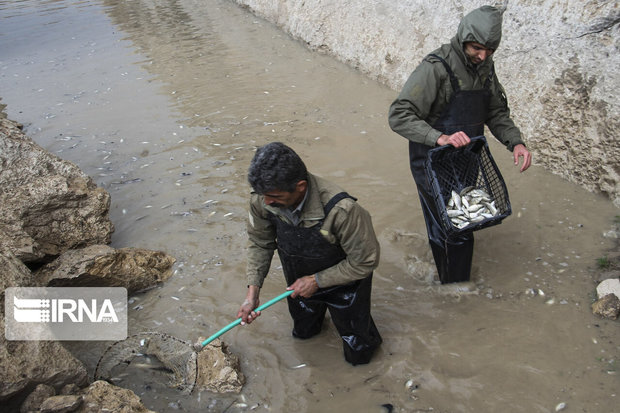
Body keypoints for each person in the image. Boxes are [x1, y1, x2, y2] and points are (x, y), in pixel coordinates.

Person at [388, 5, 532, 284]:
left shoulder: (485, 67)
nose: (483, 55)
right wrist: (439, 138)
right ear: (463, 38)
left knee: (457, 219)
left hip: (466, 158)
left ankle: (450, 280)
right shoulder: (435, 68)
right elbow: (399, 115)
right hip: (431, 158)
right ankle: (456, 291)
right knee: (455, 228)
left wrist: (516, 142)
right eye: (477, 48)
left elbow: (495, 112)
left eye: (490, 50)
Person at [237, 142, 382, 365]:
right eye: (262, 195)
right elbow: (260, 242)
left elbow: (364, 262)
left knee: (358, 349)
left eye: (274, 196)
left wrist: (317, 281)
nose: (267, 203)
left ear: (301, 187)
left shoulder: (342, 210)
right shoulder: (263, 198)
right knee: (304, 334)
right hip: (297, 278)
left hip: (346, 281)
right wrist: (252, 292)